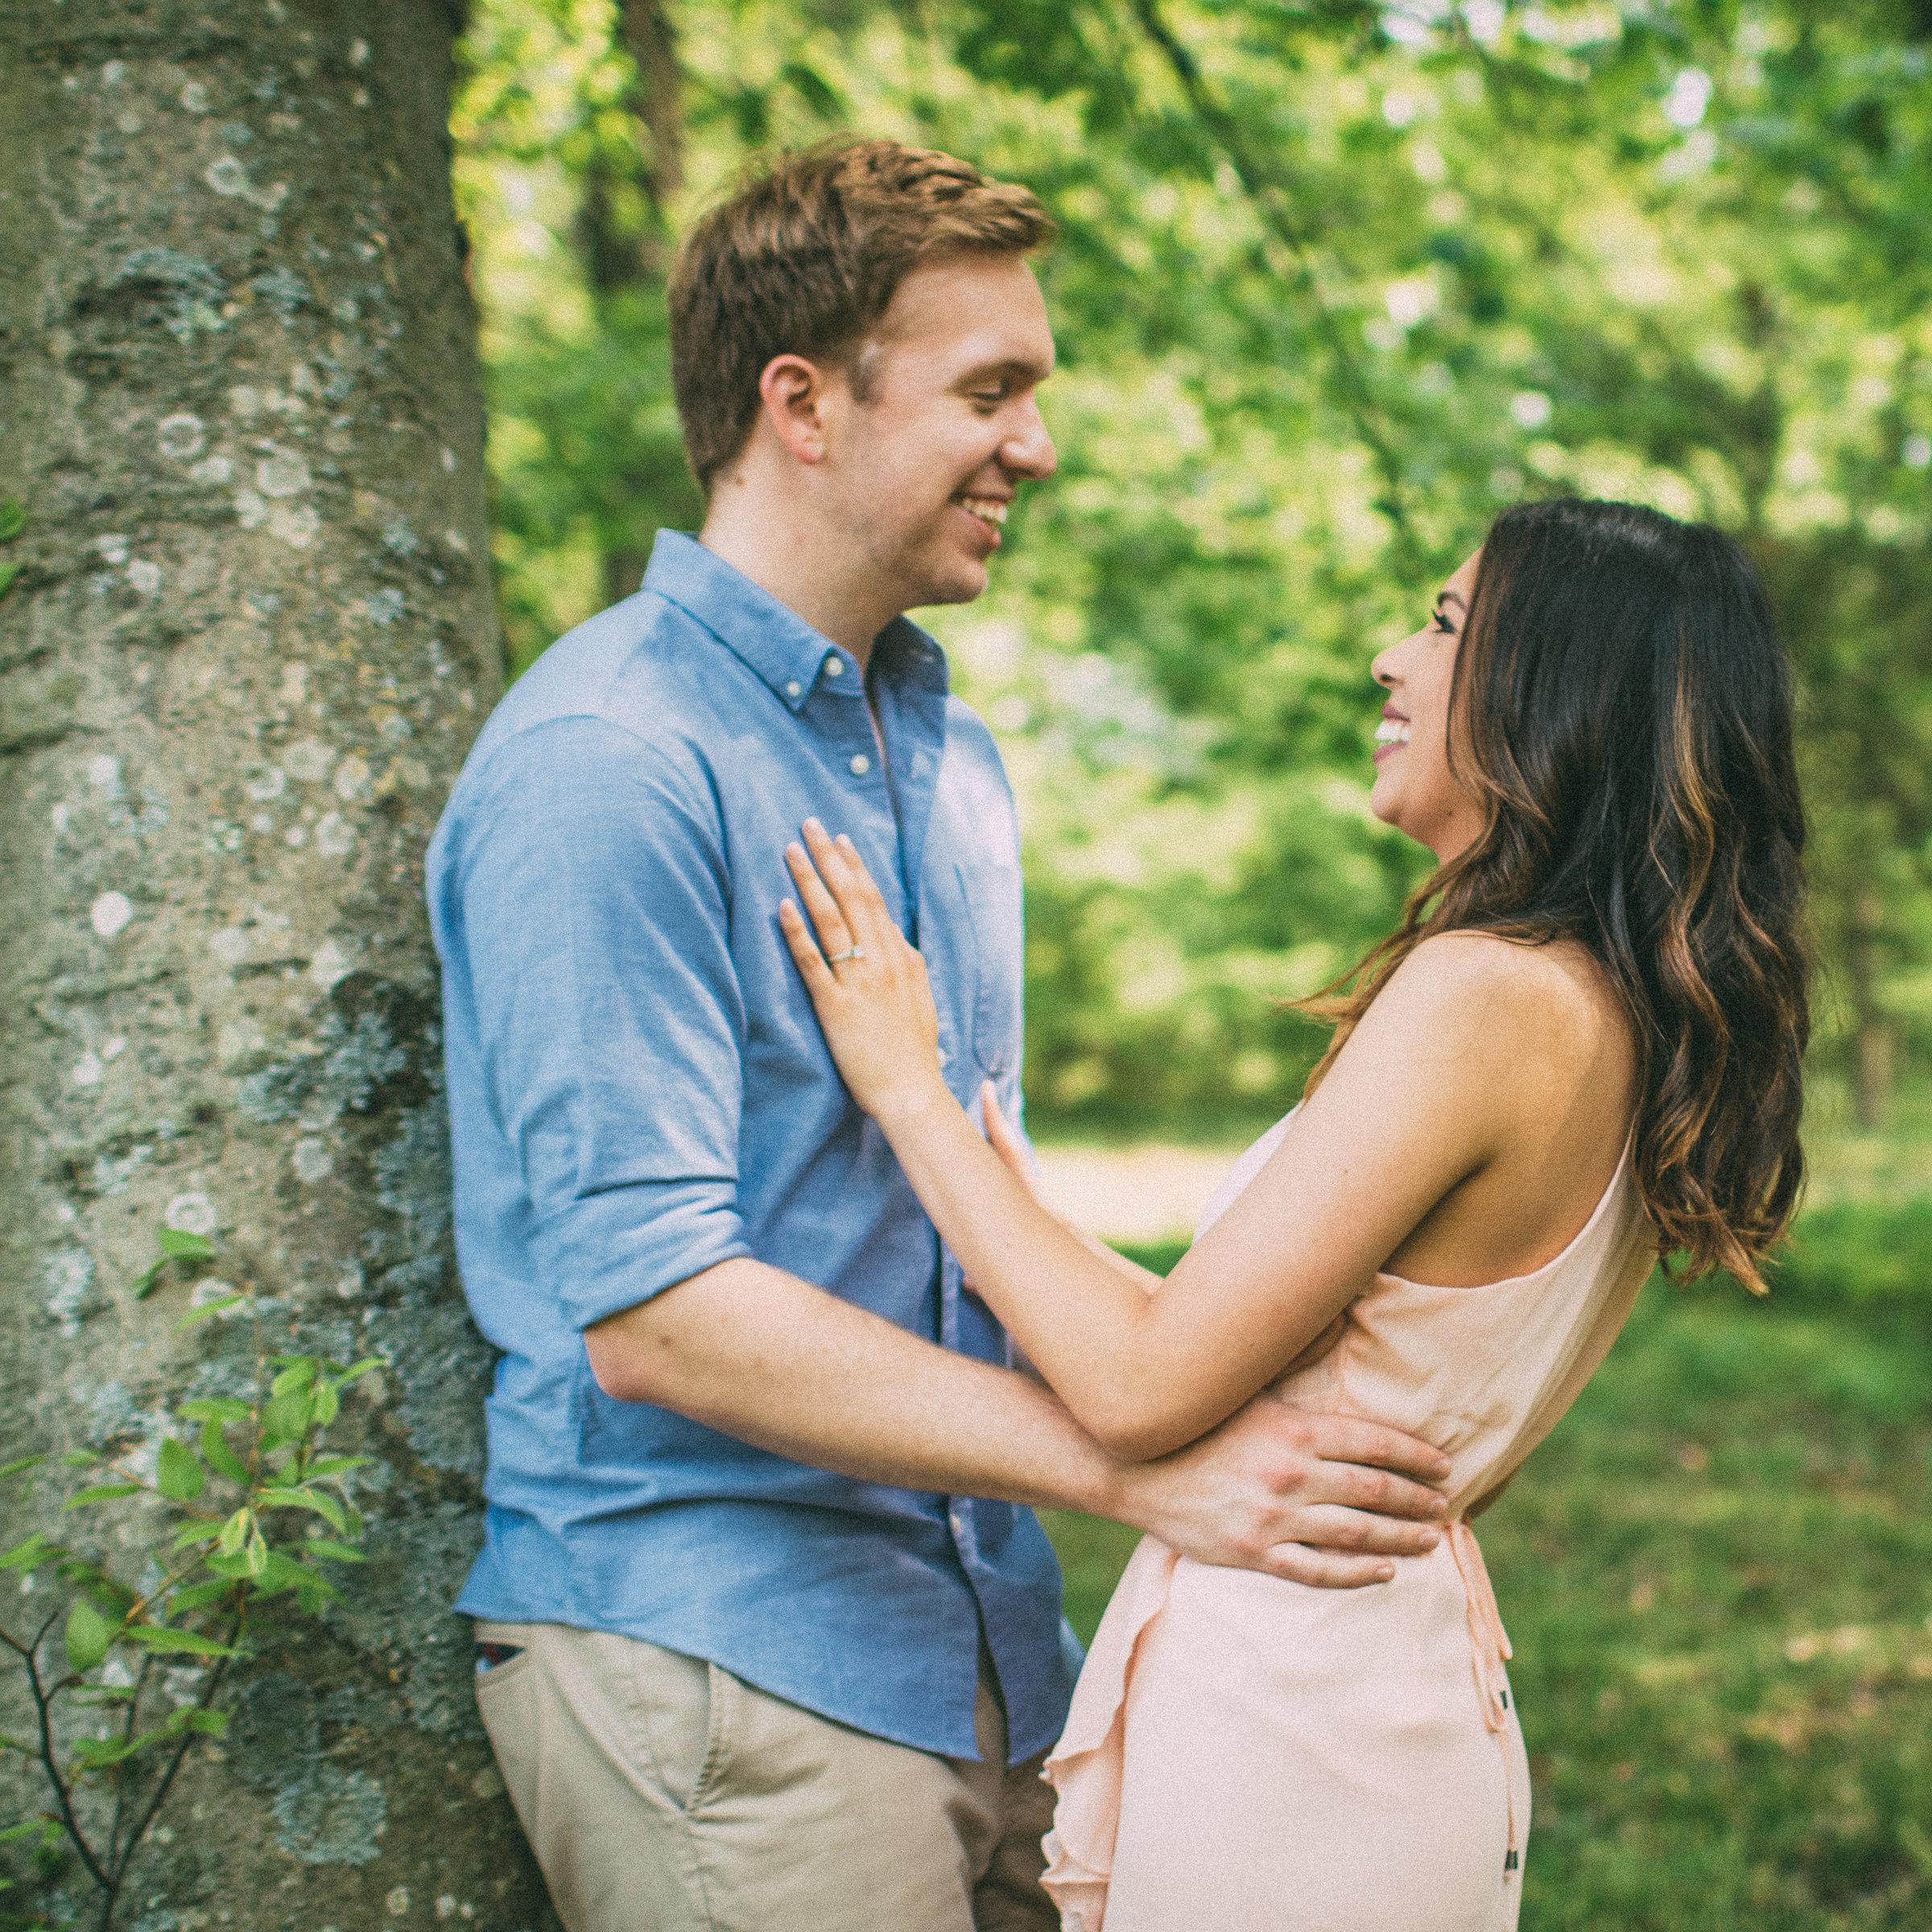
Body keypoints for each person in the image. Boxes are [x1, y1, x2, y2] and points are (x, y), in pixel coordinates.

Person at [425, 138, 1454, 1932]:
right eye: (992, 391)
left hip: (984, 1640)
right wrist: (1141, 1470)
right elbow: (661, 1317)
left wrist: (1230, 1384)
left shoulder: (949, 765)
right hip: (726, 1660)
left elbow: (988, 1195)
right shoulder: (612, 761)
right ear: (803, 404)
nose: (1037, 448)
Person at [777, 496, 1810, 1932]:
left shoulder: (1488, 997)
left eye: (1445, 626)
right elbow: (1270, 1354)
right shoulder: (1614, 1012)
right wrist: (1015, 1195)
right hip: (1375, 1692)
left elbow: (1143, 1391)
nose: (1393, 659)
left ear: (1555, 693)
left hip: (1298, 1735)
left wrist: (909, 1097)